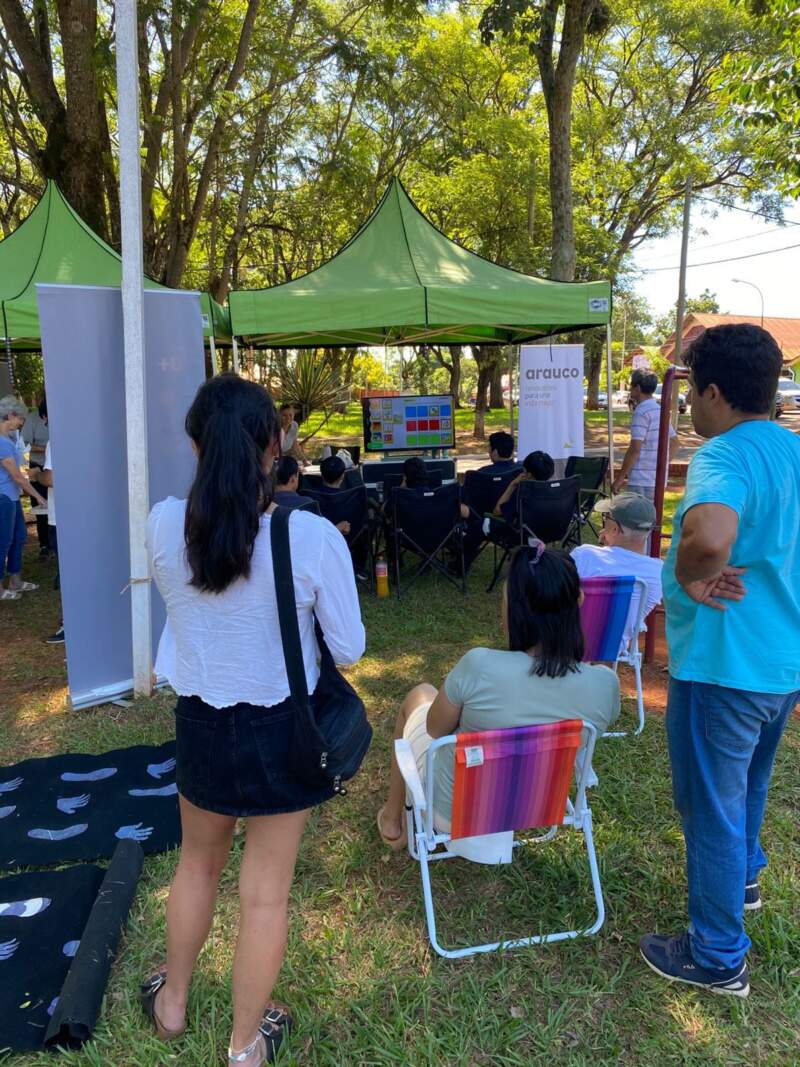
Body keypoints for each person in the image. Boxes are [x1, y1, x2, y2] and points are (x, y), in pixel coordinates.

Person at [144, 374, 365, 1065]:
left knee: (196, 866)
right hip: (281, 731)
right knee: (263, 893)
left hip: (200, 723)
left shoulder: (159, 523)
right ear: (277, 443)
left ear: (193, 443)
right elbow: (351, 646)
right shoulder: (309, 534)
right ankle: (244, 1043)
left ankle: (172, 1004)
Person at [639, 324, 800, 998]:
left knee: (708, 804)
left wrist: (691, 569)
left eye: (690, 396)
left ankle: (716, 954)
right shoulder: (791, 449)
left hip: (724, 664)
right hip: (780, 663)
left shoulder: (723, 454)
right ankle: (745, 876)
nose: (690, 412)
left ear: (712, 392)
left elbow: (708, 533)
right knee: (747, 785)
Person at [376, 542, 620, 848]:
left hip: (456, 814)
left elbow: (435, 730)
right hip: (537, 810)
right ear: (579, 601)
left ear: (514, 610)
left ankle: (392, 820)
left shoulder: (479, 665)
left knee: (420, 694)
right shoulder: (604, 684)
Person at [571, 493, 662, 654]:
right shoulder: (658, 572)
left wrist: (606, 547)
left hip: (568, 642)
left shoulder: (583, 555)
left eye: (606, 518)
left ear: (615, 529)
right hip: (612, 647)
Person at [0, 394, 46, 601]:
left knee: (19, 537)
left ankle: (15, 580)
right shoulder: (2, 442)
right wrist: (38, 497)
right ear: (10, 415)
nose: (21, 423)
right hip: (3, 498)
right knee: (3, 542)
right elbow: (17, 476)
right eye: (20, 419)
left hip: (12, 497)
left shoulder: (10, 439)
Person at [612, 370, 677, 499]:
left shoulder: (641, 412)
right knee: (652, 518)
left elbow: (635, 449)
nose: (630, 389)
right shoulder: (660, 410)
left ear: (638, 388)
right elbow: (675, 443)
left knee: (638, 518)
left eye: (631, 385)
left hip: (641, 480)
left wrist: (620, 478)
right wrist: (660, 466)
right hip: (658, 480)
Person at [36, 439, 64, 643]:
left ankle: (69, 625)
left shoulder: (56, 439)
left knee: (67, 574)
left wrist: (38, 474)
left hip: (61, 517)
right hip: (84, 513)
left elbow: (52, 478)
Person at [22, 395, 50, 557]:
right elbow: (24, 445)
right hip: (38, 467)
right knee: (41, 506)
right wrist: (46, 448)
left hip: (58, 468)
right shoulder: (32, 420)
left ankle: (58, 541)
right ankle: (45, 546)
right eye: (44, 418)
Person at [492, 449, 555, 521]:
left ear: (528, 474)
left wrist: (512, 484)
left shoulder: (522, 496)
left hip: (525, 531)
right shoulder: (559, 491)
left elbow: (496, 512)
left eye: (523, 470)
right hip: (555, 531)